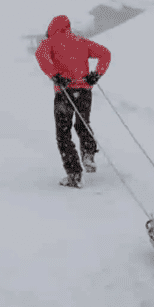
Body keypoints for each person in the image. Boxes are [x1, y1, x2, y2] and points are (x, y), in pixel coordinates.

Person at [35, 15, 111, 188]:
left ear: (51, 29)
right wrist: (96, 74)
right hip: (84, 91)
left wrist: (54, 75)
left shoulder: (50, 42)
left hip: (64, 92)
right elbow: (105, 53)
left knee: (63, 133)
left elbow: (41, 55)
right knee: (83, 123)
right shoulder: (81, 42)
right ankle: (88, 153)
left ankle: (74, 175)